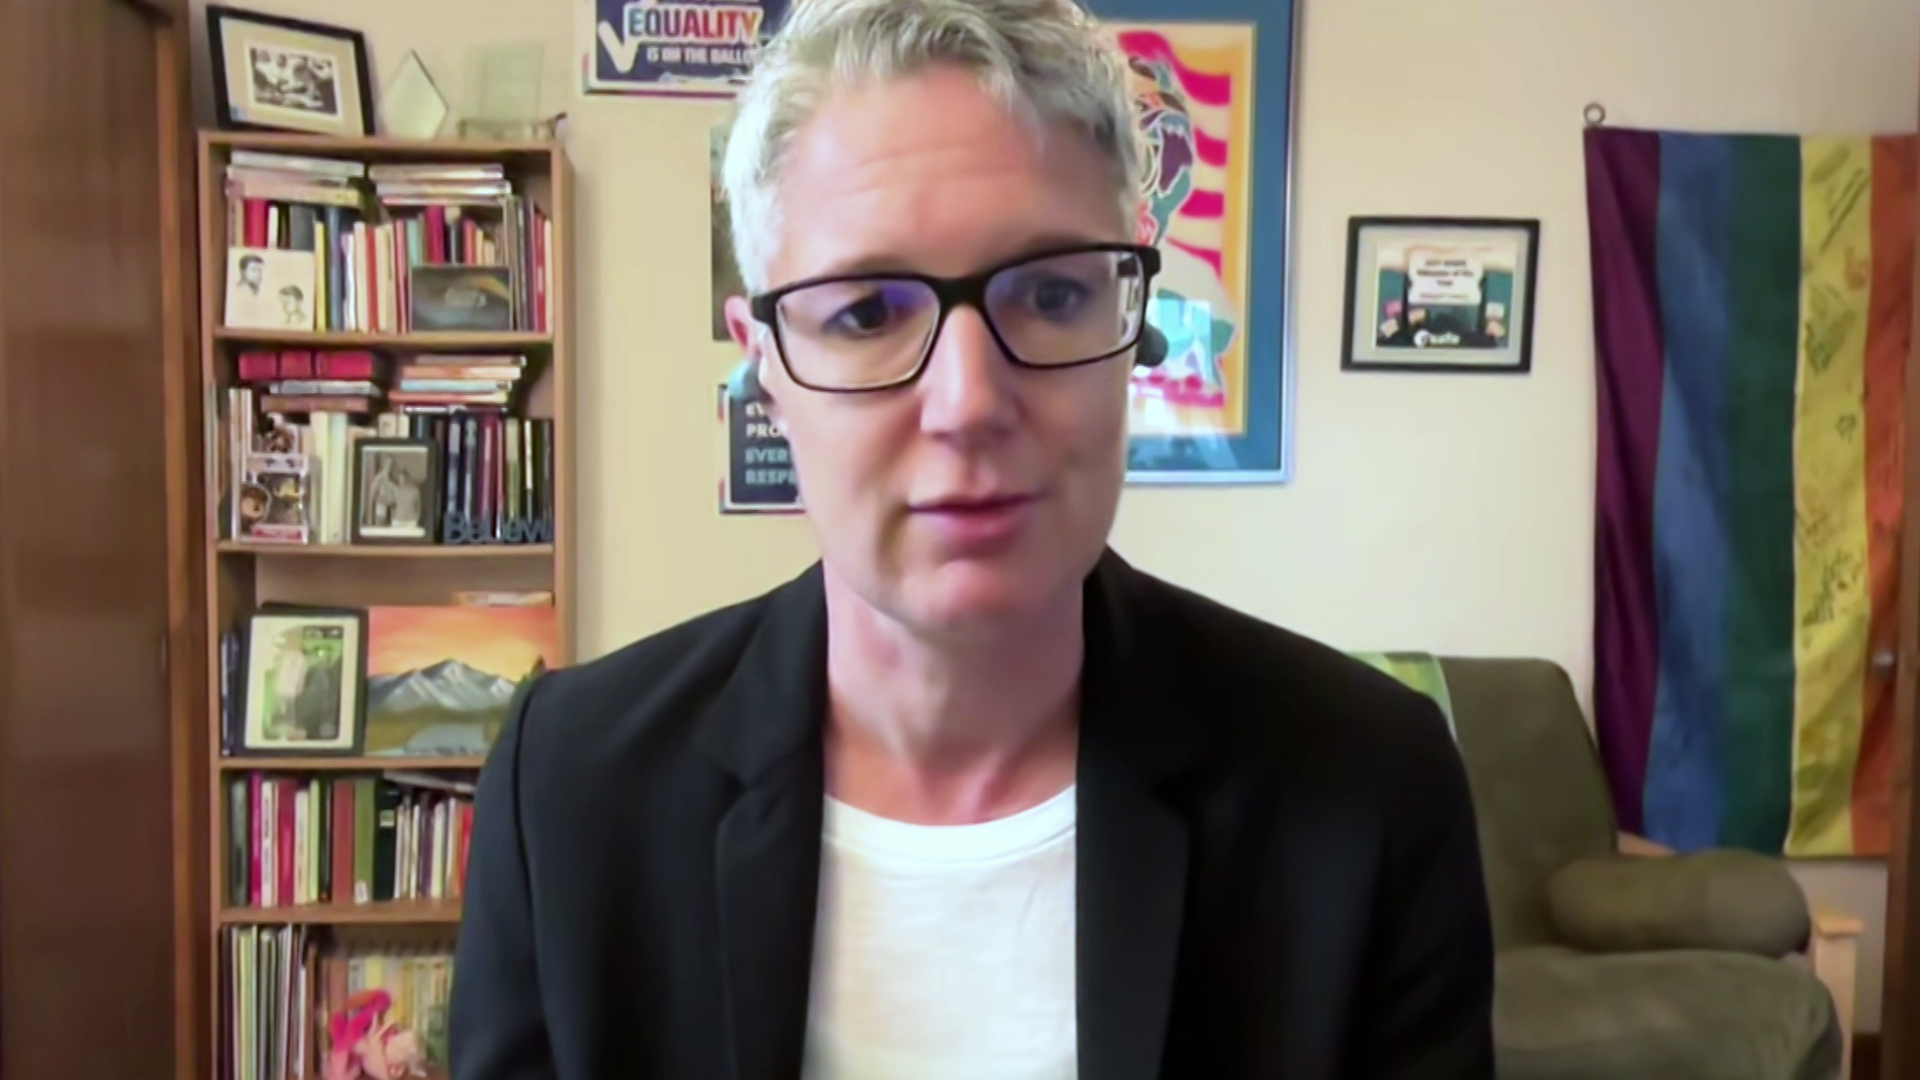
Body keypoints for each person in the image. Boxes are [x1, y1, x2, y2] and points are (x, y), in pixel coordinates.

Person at [450, 0, 1493, 1077]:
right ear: (764, 361)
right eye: (865, 313)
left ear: (1128, 316)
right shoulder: (570, 790)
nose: (967, 400)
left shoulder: (1367, 793)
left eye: (1049, 293)